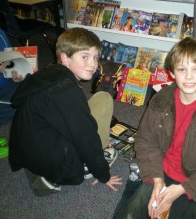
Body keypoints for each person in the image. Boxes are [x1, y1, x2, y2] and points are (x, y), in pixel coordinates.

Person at [113, 37, 196, 219]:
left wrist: (183, 188)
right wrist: (156, 179)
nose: (188, 76)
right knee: (129, 215)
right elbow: (145, 141)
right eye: (181, 69)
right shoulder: (160, 101)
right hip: (159, 170)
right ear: (172, 72)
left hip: (194, 179)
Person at [8, 27, 123, 196]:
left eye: (95, 57)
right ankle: (57, 176)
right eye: (85, 56)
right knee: (90, 128)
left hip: (29, 148)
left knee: (102, 99)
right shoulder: (67, 91)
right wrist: (103, 174)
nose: (93, 64)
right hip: (52, 161)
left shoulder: (50, 71)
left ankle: (42, 168)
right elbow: (86, 138)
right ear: (65, 58)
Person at [0, 28, 24, 158]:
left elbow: (10, 58)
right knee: (19, 103)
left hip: (5, 84)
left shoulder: (1, 34)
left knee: (30, 88)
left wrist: (15, 71)